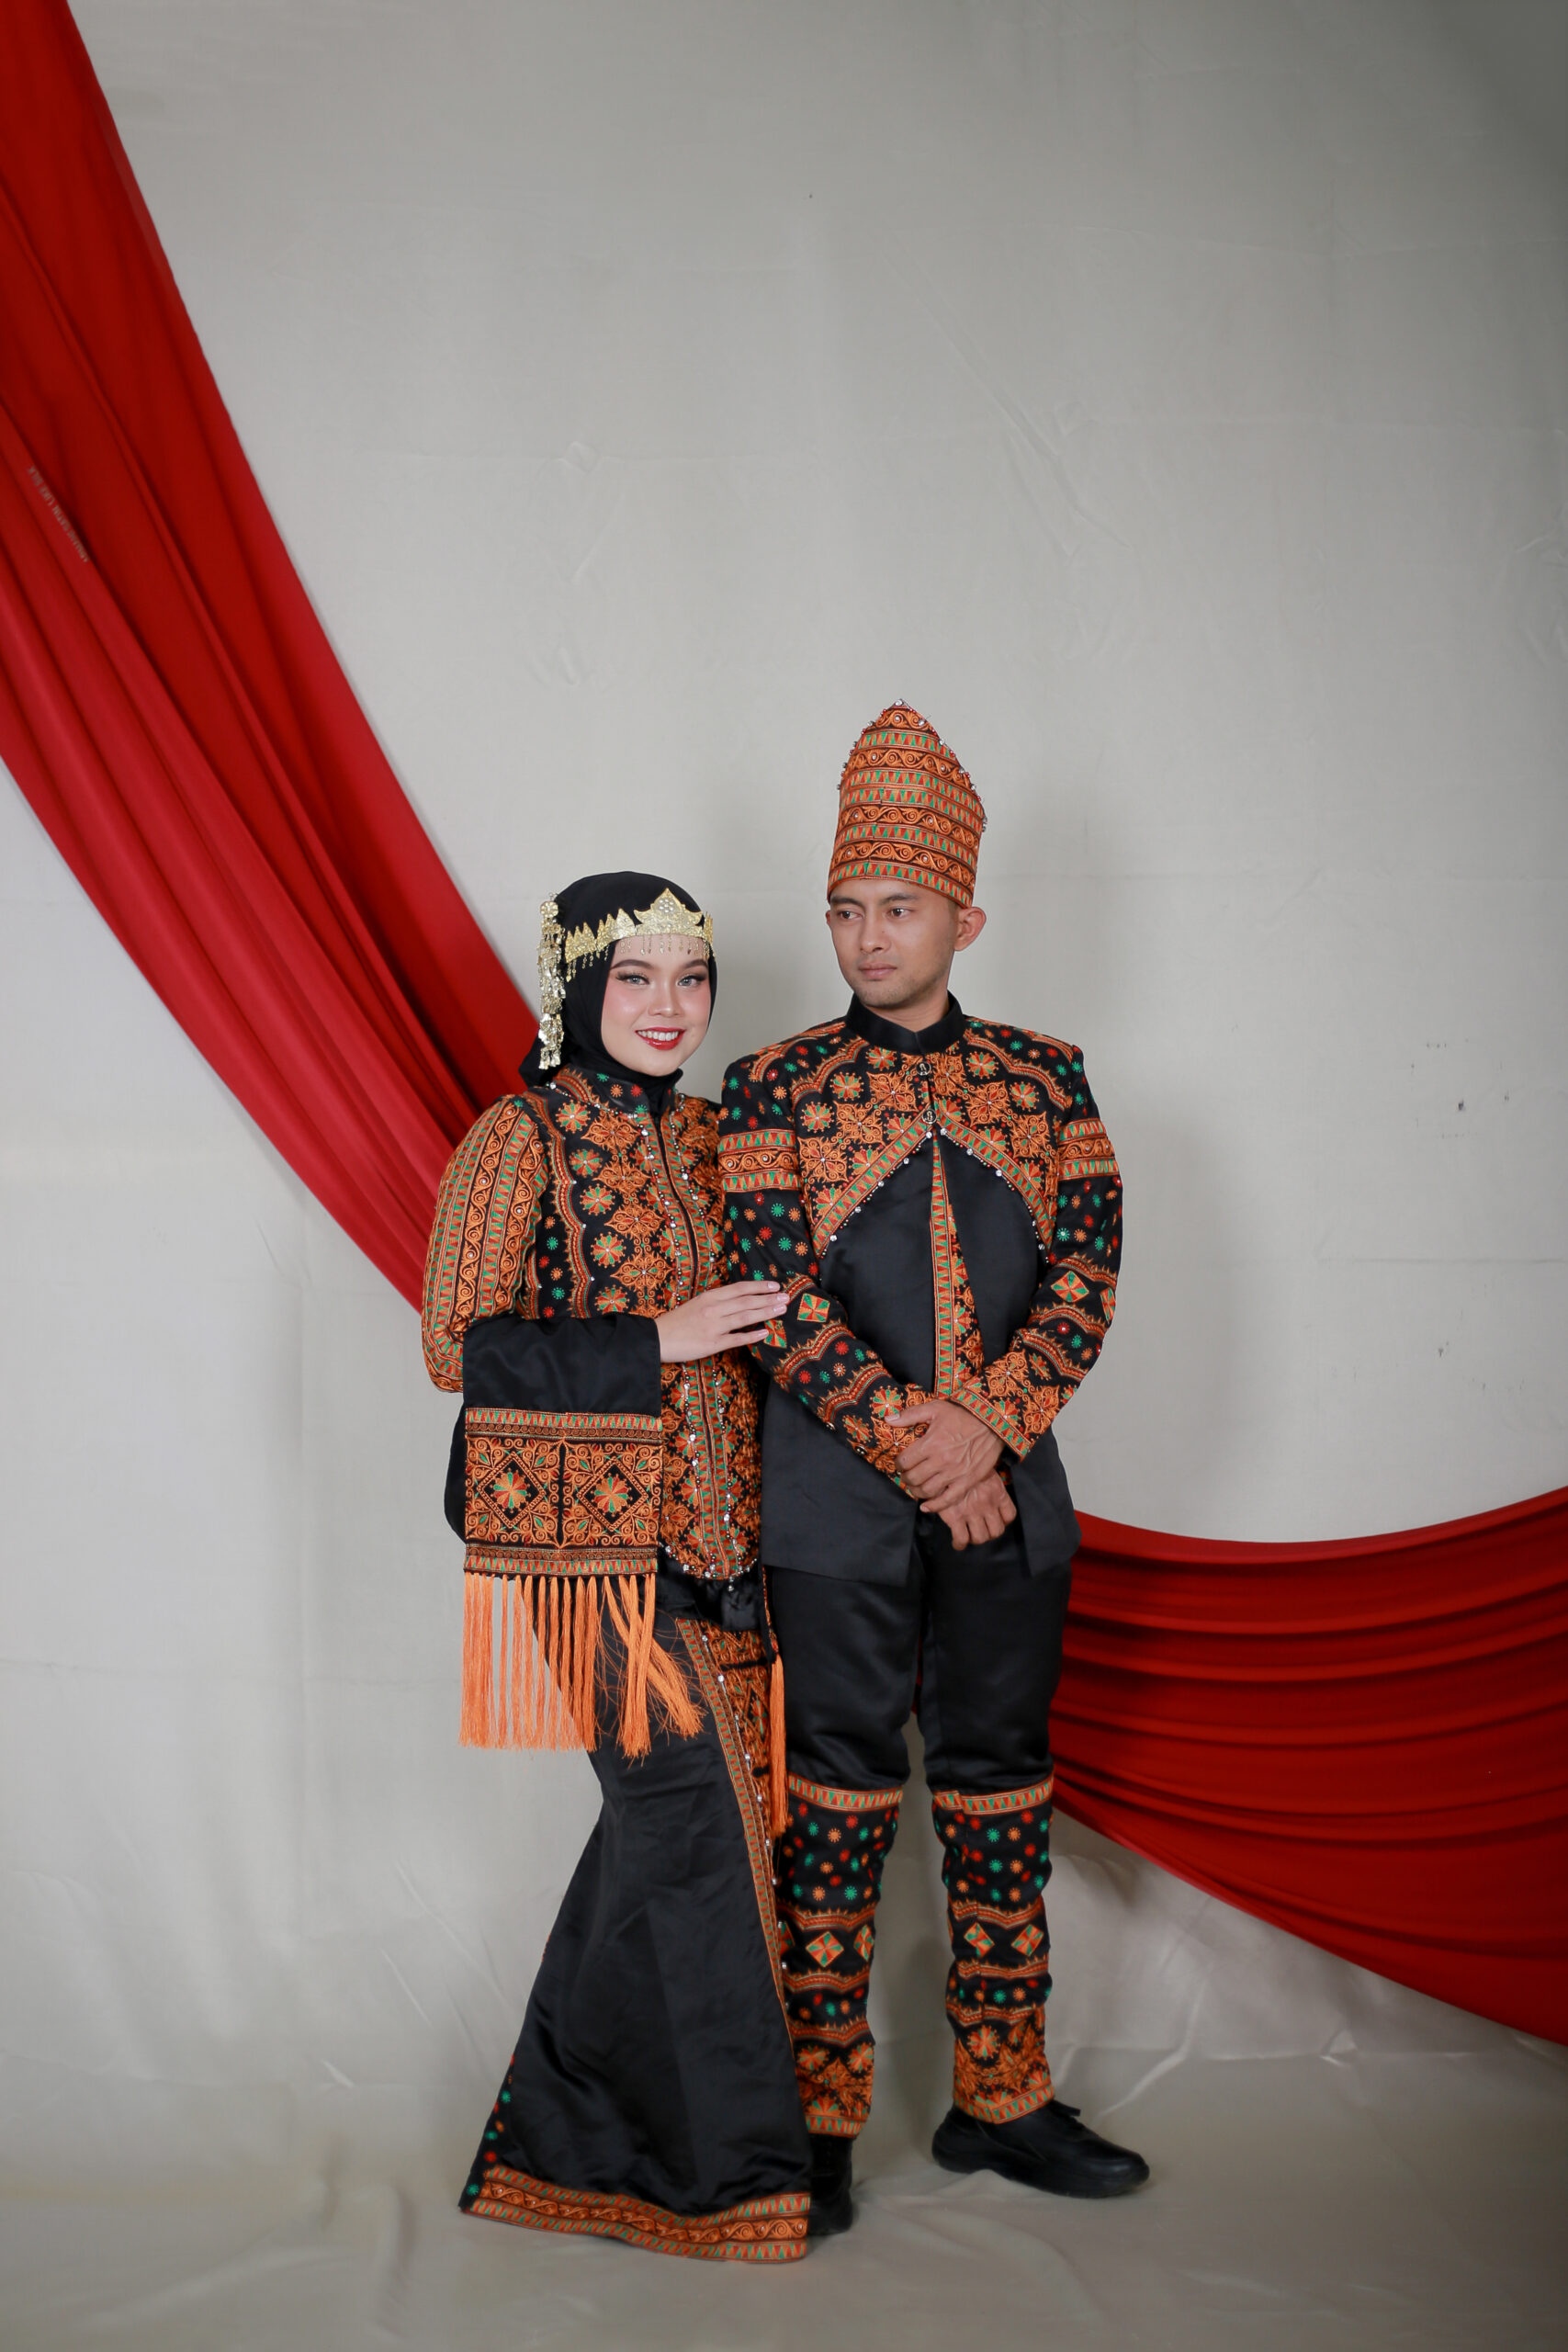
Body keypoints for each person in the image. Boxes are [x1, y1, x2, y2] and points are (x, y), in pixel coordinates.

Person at [719, 706, 1149, 2234]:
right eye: (844, 909)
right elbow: (774, 1299)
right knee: (830, 1798)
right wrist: (929, 1451)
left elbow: (1088, 1278)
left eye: (896, 908)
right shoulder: (768, 1087)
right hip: (832, 1510)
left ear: (966, 918)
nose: (865, 937)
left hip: (1010, 1502)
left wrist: (990, 1433)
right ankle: (820, 2113)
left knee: (999, 1787)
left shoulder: (1050, 1082)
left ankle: (1003, 2097)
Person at [422, 872, 811, 2263]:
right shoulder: (516, 1137)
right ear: (579, 989)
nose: (668, 1006)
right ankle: (730, 2181)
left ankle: (570, 2146)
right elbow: (455, 1346)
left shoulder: (719, 1139)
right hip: (581, 1546)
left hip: (732, 1540)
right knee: (690, 1819)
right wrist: (661, 1335)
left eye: (690, 978)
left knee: (692, 1829)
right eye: (636, 977)